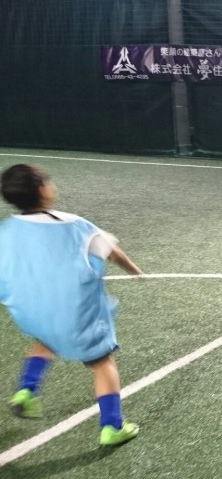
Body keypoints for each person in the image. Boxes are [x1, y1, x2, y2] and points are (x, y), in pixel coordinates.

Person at [0, 164, 143, 446]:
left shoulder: (6, 230)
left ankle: (26, 391)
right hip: (75, 313)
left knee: (45, 340)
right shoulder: (74, 225)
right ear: (42, 190)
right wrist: (134, 270)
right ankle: (112, 426)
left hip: (31, 312)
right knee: (102, 364)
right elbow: (113, 252)